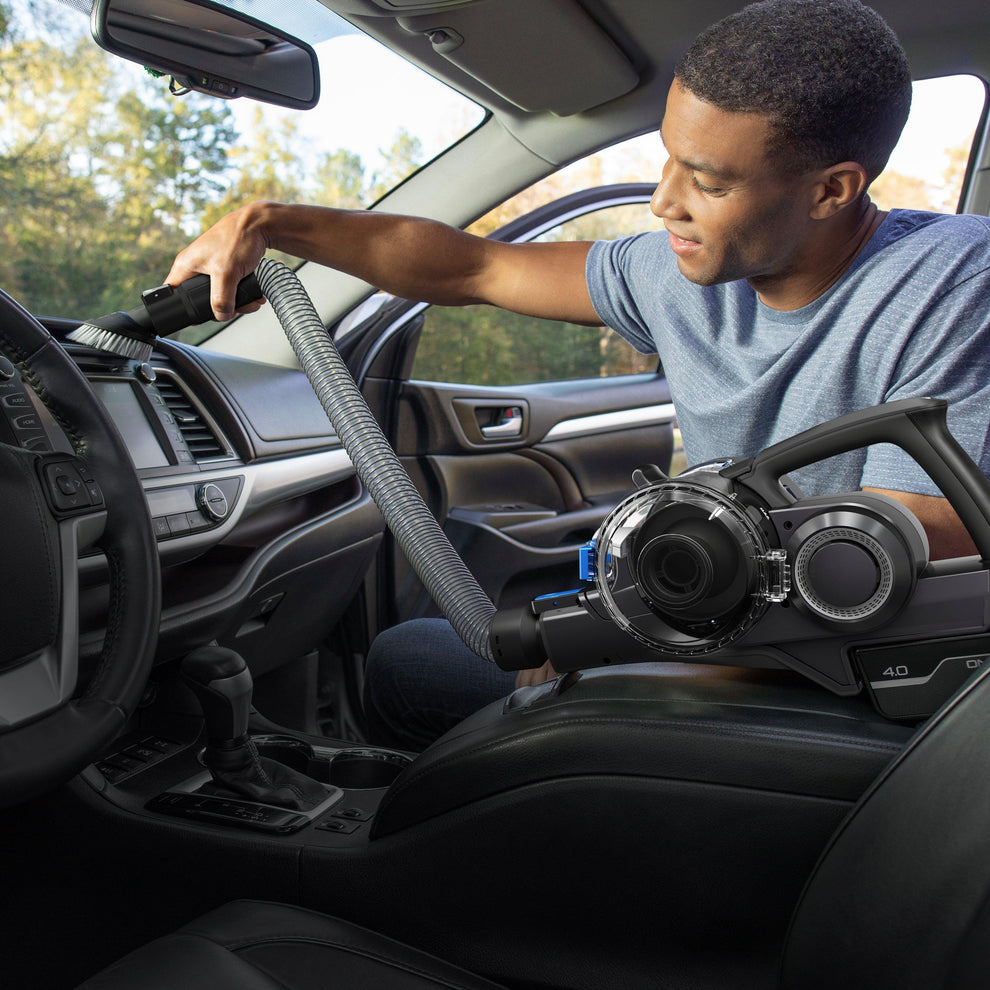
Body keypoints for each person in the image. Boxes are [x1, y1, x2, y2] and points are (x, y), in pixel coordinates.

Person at [167, 0, 990, 751]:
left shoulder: (956, 286)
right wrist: (271, 223)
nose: (664, 203)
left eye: (706, 180)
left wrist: (618, 649)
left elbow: (900, 554)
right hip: (705, 627)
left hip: (845, 692)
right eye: (668, 162)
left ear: (832, 191)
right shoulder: (683, 272)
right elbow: (473, 268)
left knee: (408, 664)